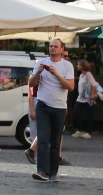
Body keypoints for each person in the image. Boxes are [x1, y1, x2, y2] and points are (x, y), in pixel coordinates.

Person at [29, 37, 75, 183]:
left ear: (62, 49)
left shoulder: (67, 66)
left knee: (55, 142)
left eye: (55, 46)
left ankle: (52, 173)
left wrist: (57, 74)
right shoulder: (41, 63)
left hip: (60, 108)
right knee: (42, 139)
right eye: (50, 46)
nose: (52, 48)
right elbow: (30, 84)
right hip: (43, 105)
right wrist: (38, 73)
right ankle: (42, 170)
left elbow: (70, 87)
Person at [70, 59, 101, 139]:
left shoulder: (88, 74)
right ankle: (80, 130)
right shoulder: (81, 75)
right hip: (80, 98)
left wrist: (92, 94)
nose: (77, 66)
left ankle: (88, 132)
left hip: (88, 98)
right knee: (76, 113)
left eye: (79, 65)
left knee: (88, 115)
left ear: (83, 66)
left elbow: (94, 84)